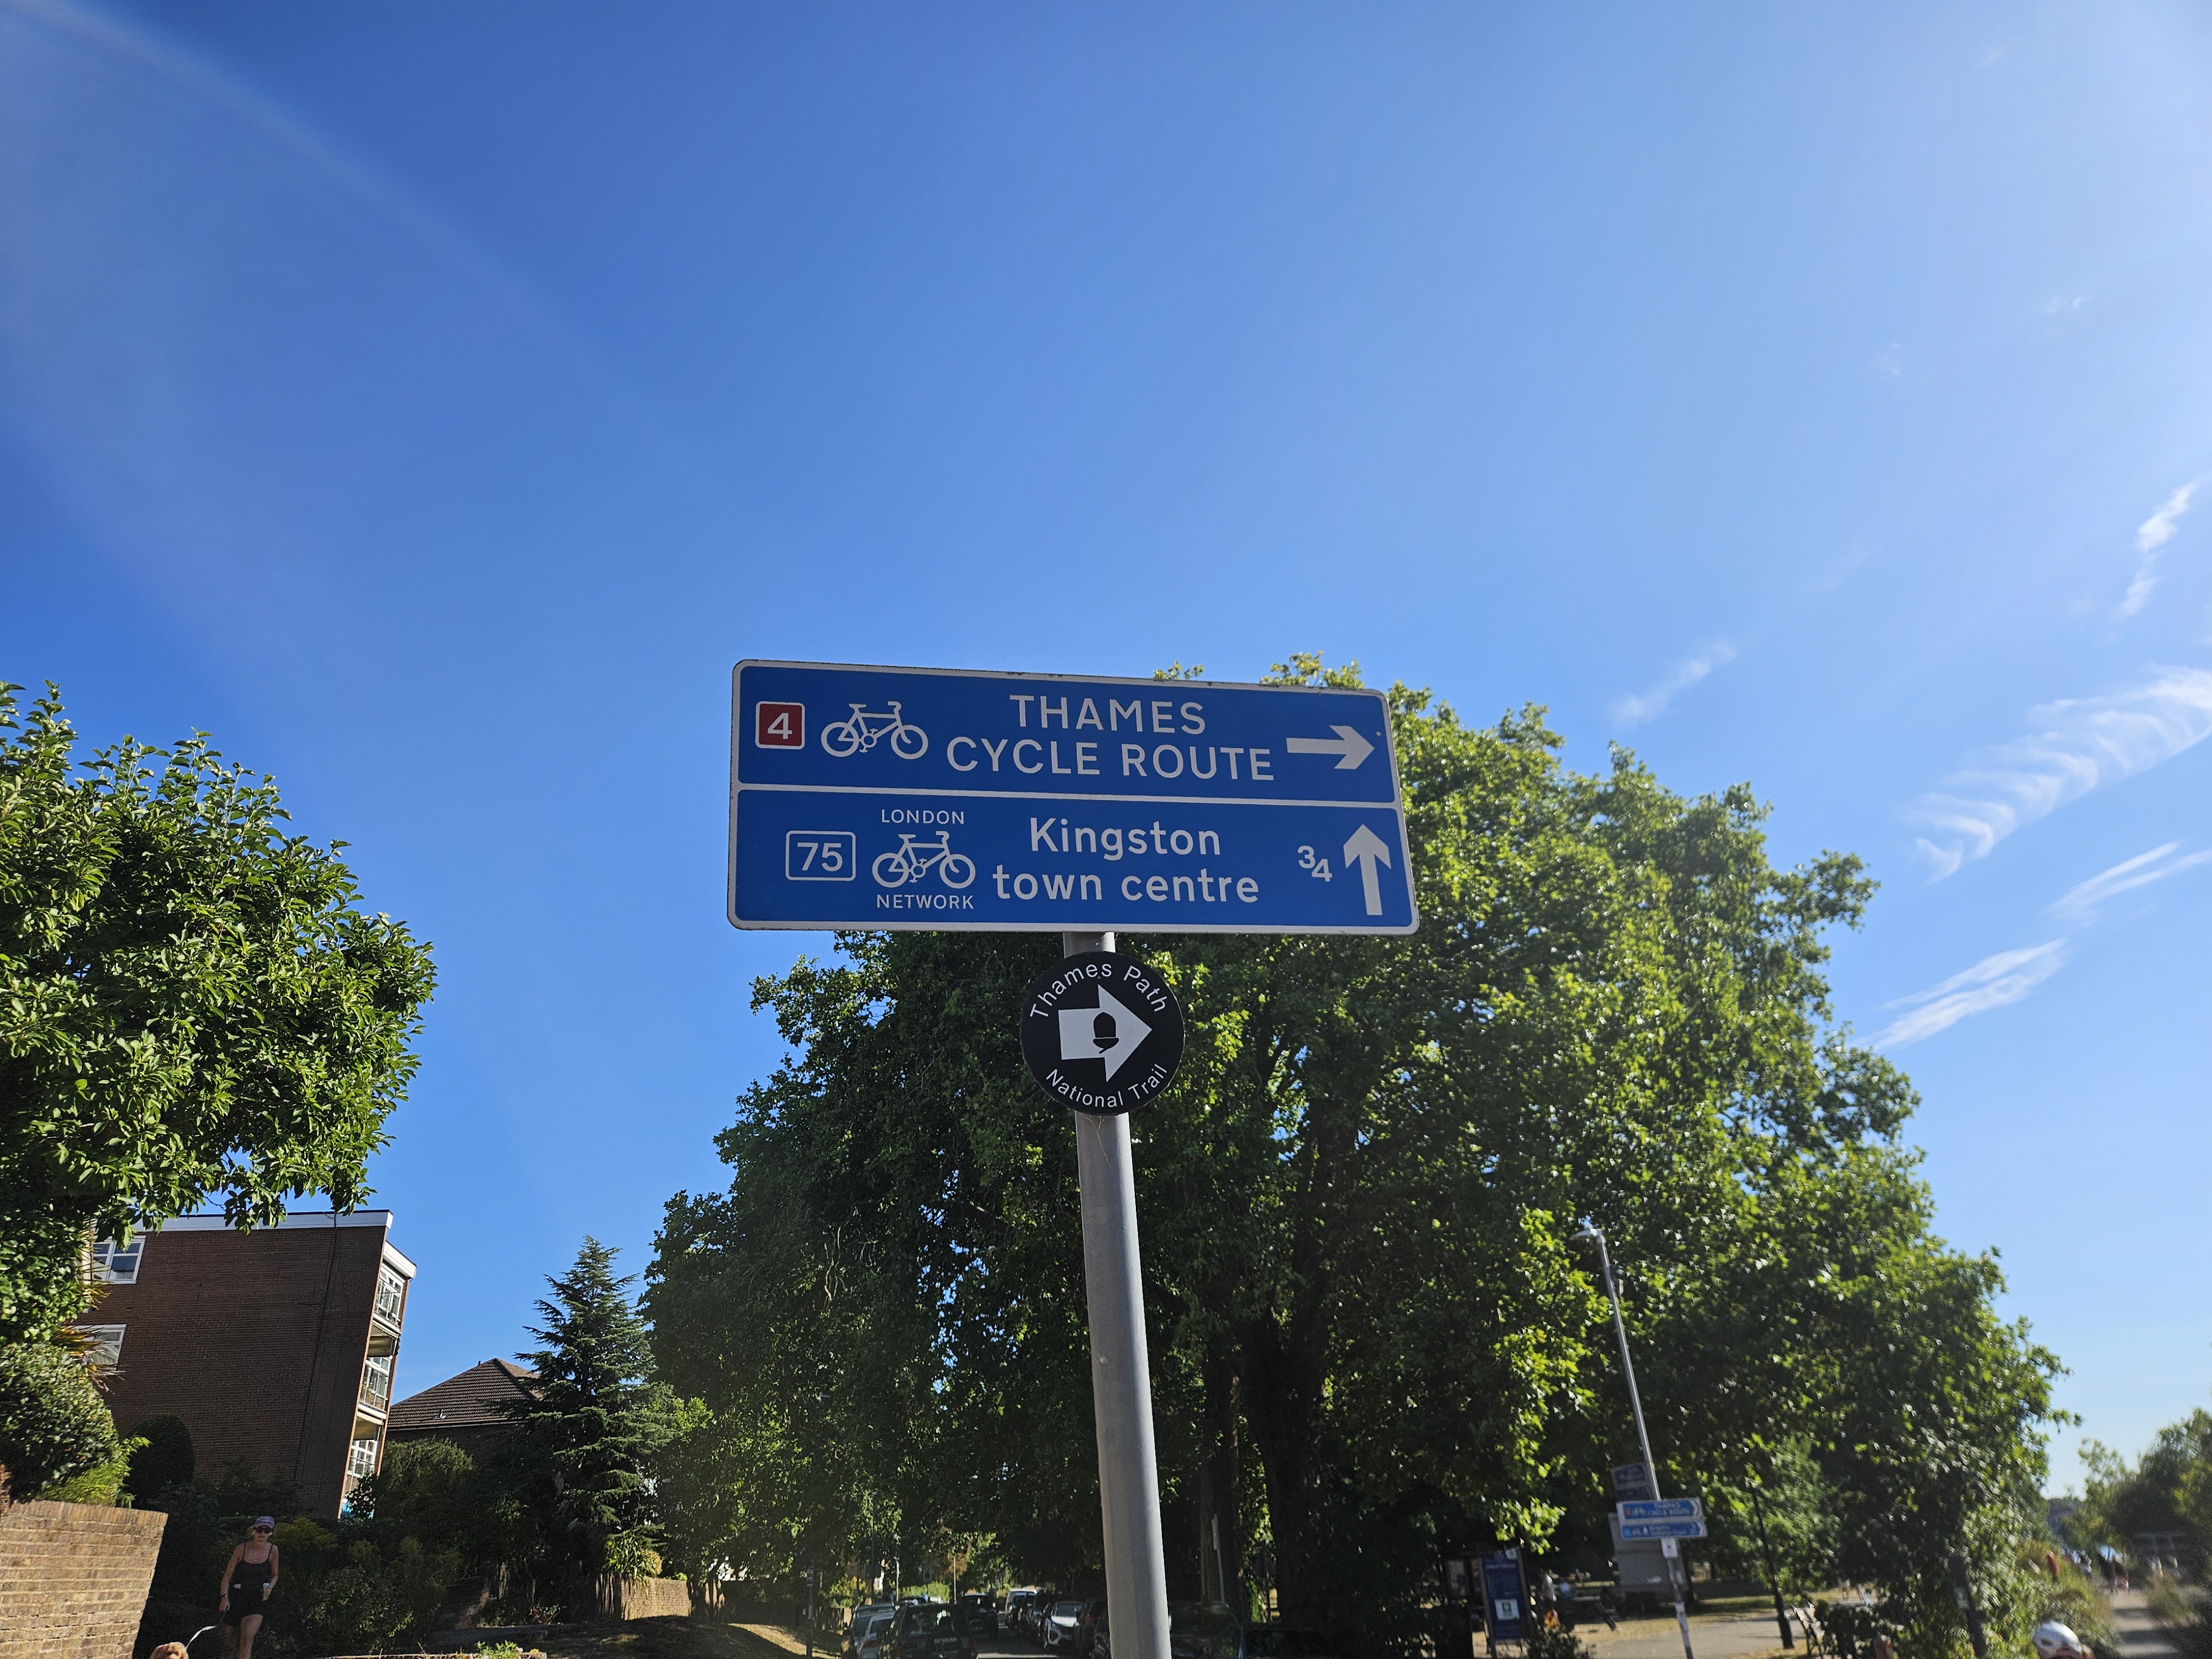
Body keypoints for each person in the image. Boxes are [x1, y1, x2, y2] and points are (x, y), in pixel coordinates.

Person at [218, 1517, 280, 1658]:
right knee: (228, 1645)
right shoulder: (241, 1549)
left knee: (246, 1640)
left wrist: (271, 1586)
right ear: (254, 1531)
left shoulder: (273, 1550)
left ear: (271, 1533)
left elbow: (275, 1575)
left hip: (257, 1599)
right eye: (259, 1530)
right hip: (236, 1597)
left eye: (267, 1531)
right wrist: (224, 1598)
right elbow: (227, 1577)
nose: (262, 1534)